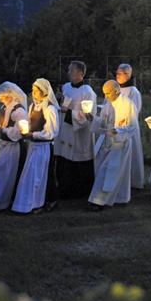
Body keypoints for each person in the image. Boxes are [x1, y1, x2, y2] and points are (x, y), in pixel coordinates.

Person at [87, 81, 139, 210]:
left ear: (116, 90)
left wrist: (118, 131)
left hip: (120, 143)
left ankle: (98, 201)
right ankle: (120, 197)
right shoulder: (108, 104)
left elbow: (132, 126)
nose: (105, 96)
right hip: (108, 141)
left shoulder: (128, 105)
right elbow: (103, 122)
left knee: (108, 170)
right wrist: (92, 119)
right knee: (110, 170)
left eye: (108, 93)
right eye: (104, 93)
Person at [12, 78, 60, 214]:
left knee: (38, 176)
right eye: (32, 90)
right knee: (29, 175)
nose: (33, 93)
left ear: (44, 92)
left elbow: (52, 132)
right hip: (33, 146)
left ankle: (37, 203)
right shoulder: (33, 106)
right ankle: (25, 204)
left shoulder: (50, 109)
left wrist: (33, 135)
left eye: (36, 91)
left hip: (43, 148)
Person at [55, 61, 96, 199]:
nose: (68, 73)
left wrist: (68, 112)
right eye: (68, 70)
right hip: (66, 130)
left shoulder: (88, 92)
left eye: (71, 70)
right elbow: (63, 104)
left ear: (81, 73)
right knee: (64, 159)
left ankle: (81, 192)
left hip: (79, 132)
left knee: (79, 159)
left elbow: (88, 114)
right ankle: (64, 189)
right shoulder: (66, 87)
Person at [0, 82, 28, 211]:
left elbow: (17, 133)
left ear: (11, 95)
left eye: (3, 97)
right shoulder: (4, 108)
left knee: (6, 174)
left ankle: (2, 201)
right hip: (6, 146)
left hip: (14, 147)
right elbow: (1, 124)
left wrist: (2, 130)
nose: (1, 100)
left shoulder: (19, 111)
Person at [114, 64, 145, 189]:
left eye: (119, 73)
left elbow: (134, 110)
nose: (116, 75)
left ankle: (132, 182)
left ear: (127, 75)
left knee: (131, 155)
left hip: (128, 128)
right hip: (114, 127)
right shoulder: (114, 89)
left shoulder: (133, 91)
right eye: (116, 73)